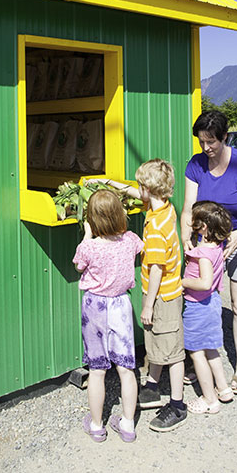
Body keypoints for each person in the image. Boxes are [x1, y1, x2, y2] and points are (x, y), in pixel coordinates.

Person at [89, 159, 188, 432]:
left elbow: (156, 268)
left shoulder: (156, 228)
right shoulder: (162, 208)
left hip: (162, 296)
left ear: (148, 189)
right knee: (157, 343)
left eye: (139, 186)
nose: (137, 190)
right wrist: (111, 185)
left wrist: (147, 305)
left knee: (173, 351)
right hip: (165, 294)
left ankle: (178, 404)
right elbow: (135, 194)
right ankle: (153, 386)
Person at [182, 110, 237, 394]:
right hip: (208, 244)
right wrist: (187, 238)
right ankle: (202, 360)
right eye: (201, 142)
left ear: (224, 137)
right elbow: (188, 208)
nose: (206, 148)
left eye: (211, 142)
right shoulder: (196, 164)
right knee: (204, 300)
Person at [73, 189, 143, 443]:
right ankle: (127, 425)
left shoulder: (88, 247)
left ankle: (95, 425)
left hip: (95, 306)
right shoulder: (131, 240)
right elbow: (140, 247)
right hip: (121, 306)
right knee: (126, 368)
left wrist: (88, 235)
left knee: (97, 370)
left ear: (91, 219)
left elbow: (79, 264)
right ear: (119, 213)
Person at [182, 200, 234, 414]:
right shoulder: (217, 247)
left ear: (203, 227)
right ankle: (223, 389)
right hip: (213, 303)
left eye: (194, 221)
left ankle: (209, 399)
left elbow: (204, 282)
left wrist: (182, 282)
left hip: (198, 307)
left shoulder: (202, 254)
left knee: (197, 353)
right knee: (211, 349)